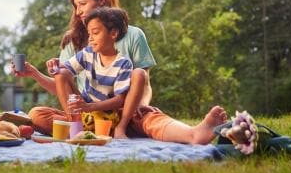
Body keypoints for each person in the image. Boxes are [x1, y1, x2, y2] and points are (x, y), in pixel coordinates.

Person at [55, 7, 227, 144]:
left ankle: (193, 134)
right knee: (39, 114)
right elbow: (63, 74)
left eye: (95, 32)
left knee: (147, 112)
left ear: (113, 33)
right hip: (85, 118)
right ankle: (73, 128)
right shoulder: (86, 54)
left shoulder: (125, 57)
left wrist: (140, 105)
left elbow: (127, 95)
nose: (90, 39)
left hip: (119, 115)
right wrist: (50, 69)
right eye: (89, 33)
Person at [13, 0, 155, 138]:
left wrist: (141, 106)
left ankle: (109, 128)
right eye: (75, 6)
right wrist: (34, 73)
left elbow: (144, 83)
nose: (78, 11)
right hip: (85, 112)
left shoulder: (134, 35)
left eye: (82, 4)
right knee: (37, 114)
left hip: (122, 111)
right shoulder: (73, 40)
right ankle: (87, 128)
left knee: (150, 119)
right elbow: (62, 86)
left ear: (102, 0)